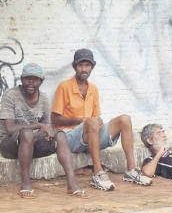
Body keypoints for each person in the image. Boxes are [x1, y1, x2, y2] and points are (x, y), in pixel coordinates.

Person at [51, 48, 152, 191]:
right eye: (80, 65)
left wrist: (95, 122)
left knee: (125, 119)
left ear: (92, 66)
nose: (84, 69)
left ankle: (131, 170)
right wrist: (81, 120)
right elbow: (54, 119)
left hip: (88, 135)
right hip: (68, 138)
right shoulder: (64, 86)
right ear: (74, 67)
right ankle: (98, 173)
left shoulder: (93, 89)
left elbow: (95, 117)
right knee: (91, 121)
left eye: (87, 65)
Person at [0, 63, 89, 199]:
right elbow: (10, 129)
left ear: (40, 81)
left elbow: (47, 128)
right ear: (22, 80)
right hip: (8, 144)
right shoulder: (10, 95)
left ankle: (71, 184)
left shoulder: (44, 99)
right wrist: (38, 126)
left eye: (35, 79)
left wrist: (40, 133)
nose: (31, 82)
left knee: (60, 135)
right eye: (27, 78)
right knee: (26, 134)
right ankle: (26, 184)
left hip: (32, 143)